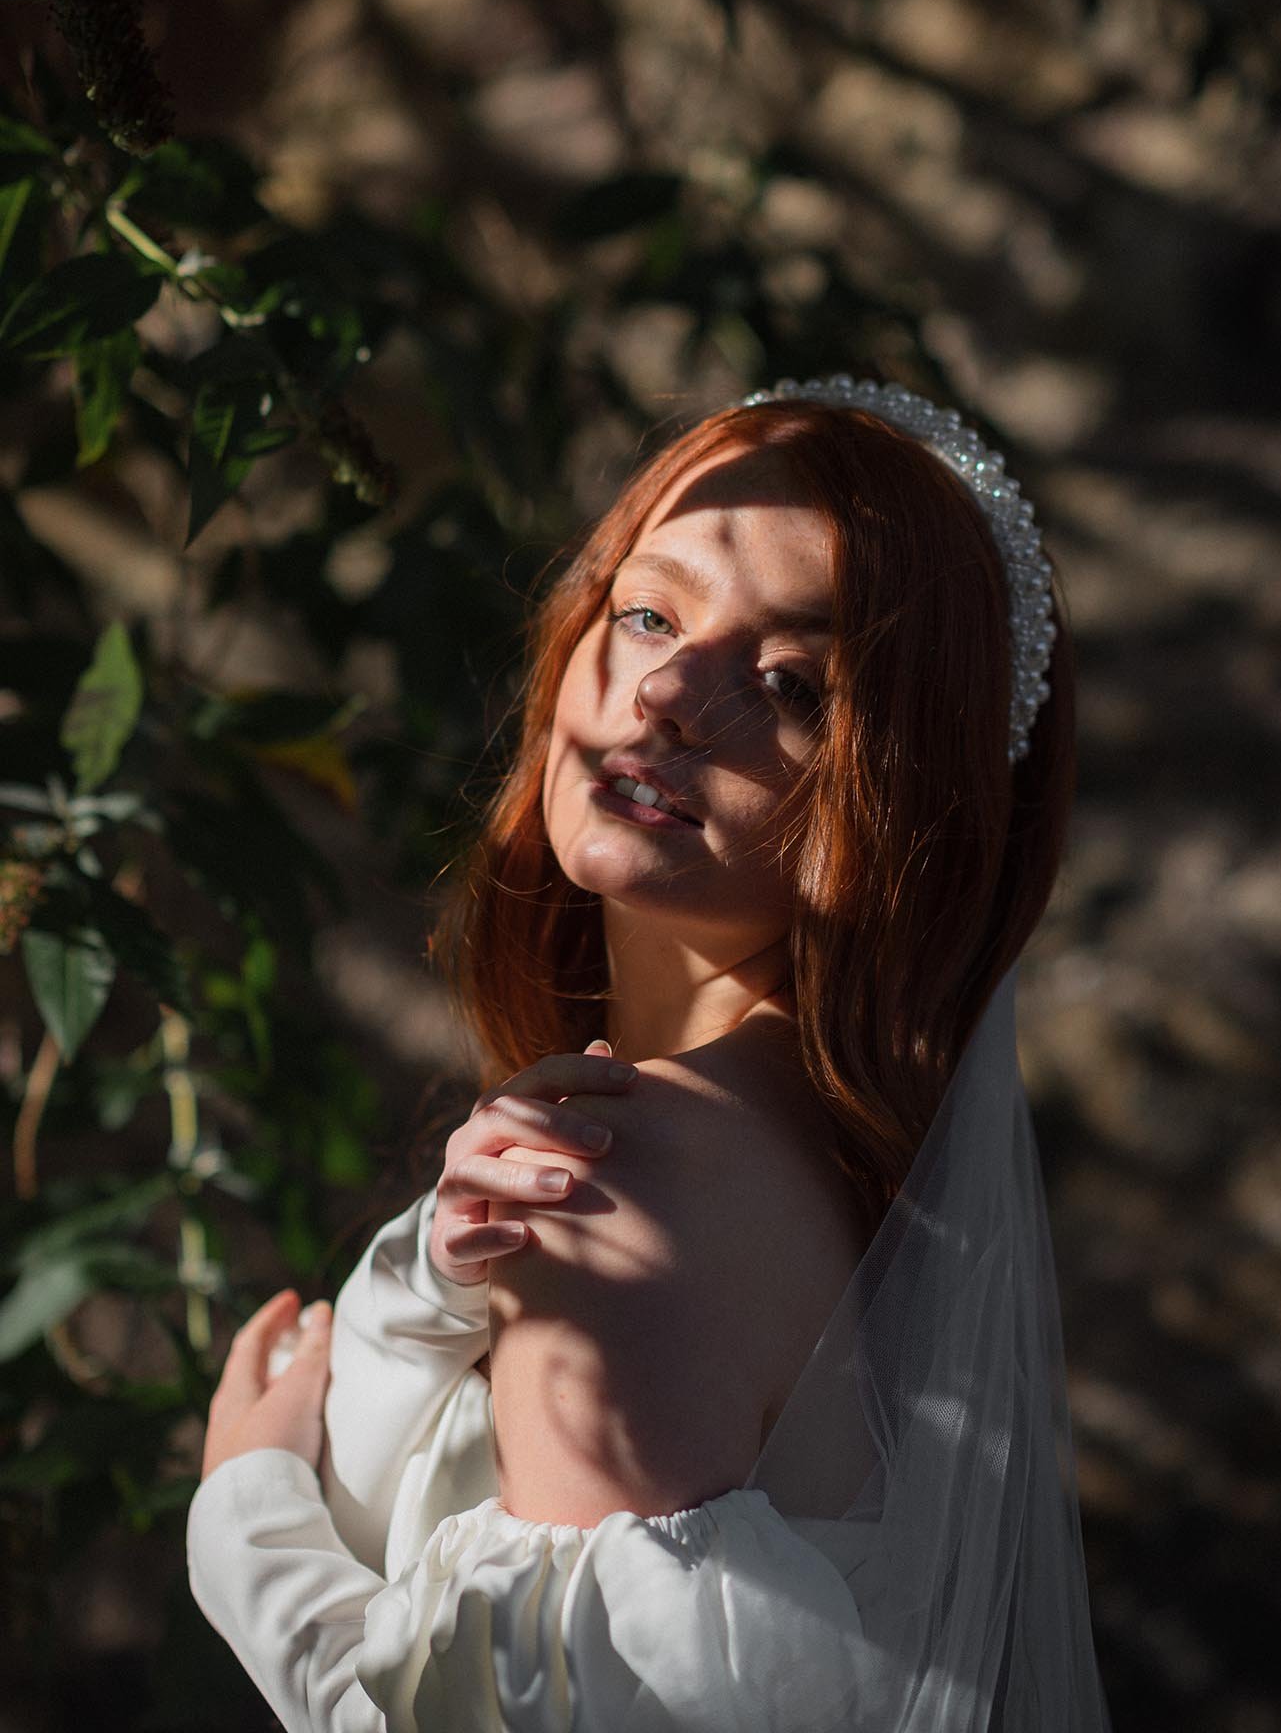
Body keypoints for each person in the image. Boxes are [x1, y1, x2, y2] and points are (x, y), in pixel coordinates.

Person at [188, 375, 1112, 1730]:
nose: (671, 693)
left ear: (902, 801)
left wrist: (248, 1522)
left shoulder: (627, 1184)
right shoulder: (836, 1158)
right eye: (649, 614)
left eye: (791, 684)